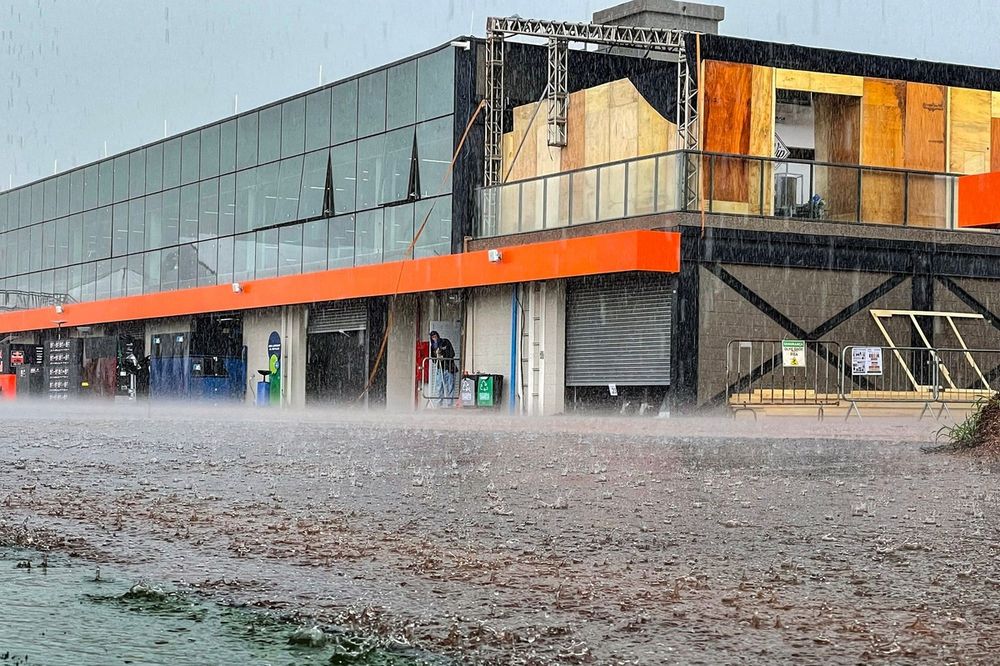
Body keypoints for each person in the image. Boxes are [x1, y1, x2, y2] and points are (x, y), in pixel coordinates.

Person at [429, 330, 457, 407]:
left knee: (450, 386)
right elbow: (434, 359)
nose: (434, 339)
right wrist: (437, 356)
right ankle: (438, 403)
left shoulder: (445, 342)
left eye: (435, 337)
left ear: (438, 336)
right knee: (439, 386)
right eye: (433, 337)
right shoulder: (433, 346)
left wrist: (444, 355)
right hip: (440, 368)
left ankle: (449, 404)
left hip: (449, 367)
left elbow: (452, 353)